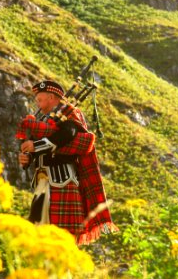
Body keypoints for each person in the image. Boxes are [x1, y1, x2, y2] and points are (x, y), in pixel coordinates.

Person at [18, 80, 118, 244]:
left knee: (63, 236)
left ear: (51, 97)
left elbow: (68, 134)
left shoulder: (70, 113)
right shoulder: (42, 120)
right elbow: (36, 150)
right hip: (42, 181)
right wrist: (27, 158)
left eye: (40, 98)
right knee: (39, 234)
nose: (37, 102)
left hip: (62, 181)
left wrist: (36, 146)